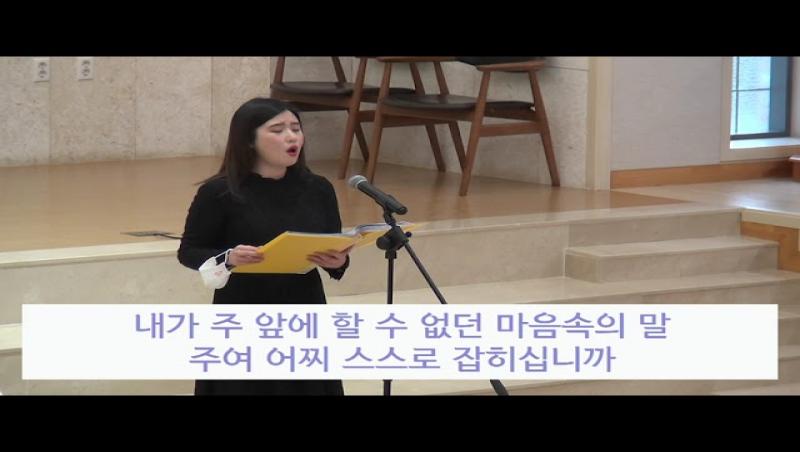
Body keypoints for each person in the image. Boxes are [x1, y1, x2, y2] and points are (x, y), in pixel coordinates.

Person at [178, 97, 352, 395]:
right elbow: (190, 251)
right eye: (278, 130)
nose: (291, 137)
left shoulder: (318, 188)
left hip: (304, 305)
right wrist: (228, 257)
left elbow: (332, 244)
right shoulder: (219, 192)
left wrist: (338, 262)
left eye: (296, 128)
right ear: (249, 140)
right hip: (244, 307)